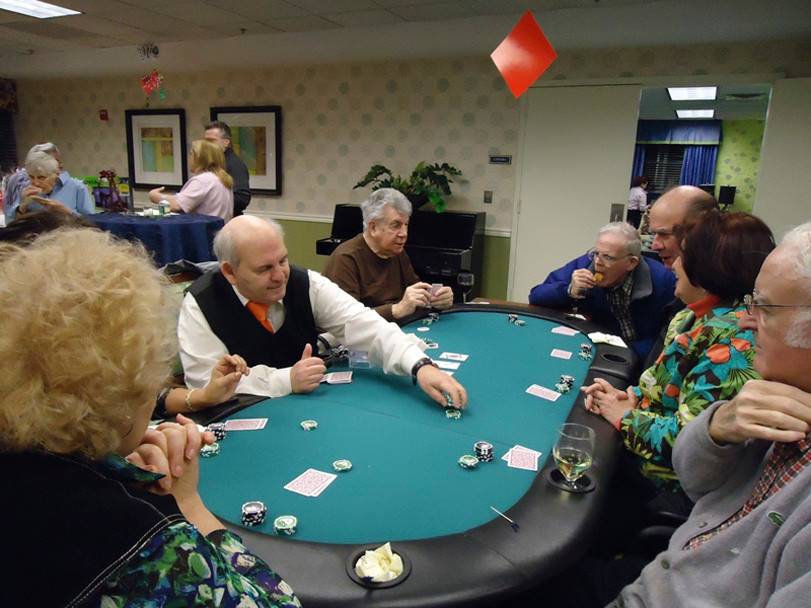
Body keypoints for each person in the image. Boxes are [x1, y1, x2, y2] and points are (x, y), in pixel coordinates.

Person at [0, 228, 300, 607]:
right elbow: (279, 604)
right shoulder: (156, 546)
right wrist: (188, 504)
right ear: (126, 387)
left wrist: (114, 462)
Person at [606, 220, 811, 607]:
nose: (747, 320)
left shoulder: (737, 346)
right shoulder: (776, 389)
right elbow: (700, 484)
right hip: (665, 577)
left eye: (764, 308)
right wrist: (718, 425)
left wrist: (624, 417)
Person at [583, 211, 774, 516]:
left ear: (705, 269)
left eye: (681, 256)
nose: (672, 264)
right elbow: (667, 390)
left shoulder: (736, 340)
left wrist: (626, 417)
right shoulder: (690, 314)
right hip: (639, 452)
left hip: (663, 485)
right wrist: (633, 399)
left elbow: (690, 444)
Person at [178, 214, 468, 407]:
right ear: (229, 271)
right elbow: (206, 385)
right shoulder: (201, 304)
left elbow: (364, 324)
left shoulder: (304, 282)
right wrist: (286, 380)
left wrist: (420, 366)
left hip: (311, 406)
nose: (280, 275)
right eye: (264, 268)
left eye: (282, 260)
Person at [528, 222, 676, 360]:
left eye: (607, 257)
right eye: (596, 253)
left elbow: (671, 336)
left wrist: (627, 352)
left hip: (647, 359)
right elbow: (536, 295)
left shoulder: (664, 280)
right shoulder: (586, 265)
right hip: (601, 354)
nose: (597, 262)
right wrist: (569, 291)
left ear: (631, 263)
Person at [323, 188, 454, 322]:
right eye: (395, 225)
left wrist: (435, 298)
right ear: (373, 227)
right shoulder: (346, 258)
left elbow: (415, 291)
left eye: (406, 225)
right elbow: (347, 319)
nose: (404, 233)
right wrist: (397, 309)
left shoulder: (396, 252)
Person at [3, 142, 95, 221]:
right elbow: (11, 224)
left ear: (57, 173)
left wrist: (67, 212)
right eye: (31, 177)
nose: (35, 182)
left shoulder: (77, 187)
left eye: (41, 177)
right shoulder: (26, 187)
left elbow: (92, 224)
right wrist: (22, 207)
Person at [149, 138, 234, 222]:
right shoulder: (223, 179)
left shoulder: (202, 181)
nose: (189, 158)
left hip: (203, 233)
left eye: (191, 153)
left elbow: (177, 205)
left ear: (199, 158)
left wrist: (155, 196)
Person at [205, 120, 251, 217]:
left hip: (227, 222)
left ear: (226, 142)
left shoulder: (235, 164)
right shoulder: (213, 163)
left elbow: (242, 198)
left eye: (212, 141)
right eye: (205, 141)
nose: (207, 145)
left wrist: (211, 201)